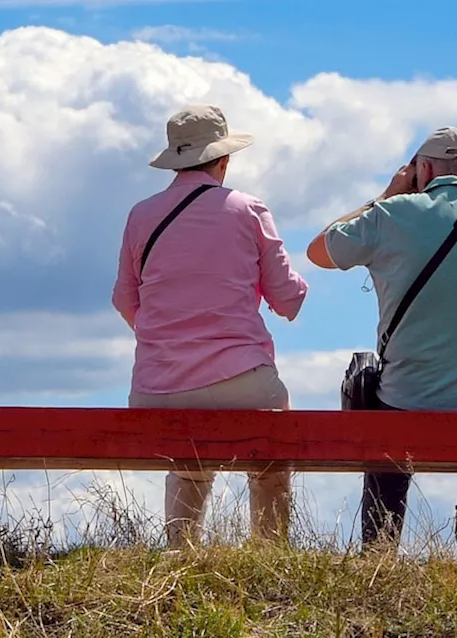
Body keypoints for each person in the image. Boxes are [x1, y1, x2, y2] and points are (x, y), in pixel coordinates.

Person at [305, 126, 457, 556]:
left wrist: (388, 194)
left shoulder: (391, 215)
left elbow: (319, 250)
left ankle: (379, 555)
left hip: (408, 400)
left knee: (379, 404)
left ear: (423, 170)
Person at [112, 104, 309, 549]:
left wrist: (165, 337)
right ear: (223, 159)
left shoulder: (141, 215)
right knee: (272, 455)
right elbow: (288, 299)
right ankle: (270, 551)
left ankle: (182, 552)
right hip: (241, 379)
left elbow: (125, 299)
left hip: (155, 388)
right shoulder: (247, 208)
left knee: (188, 459)